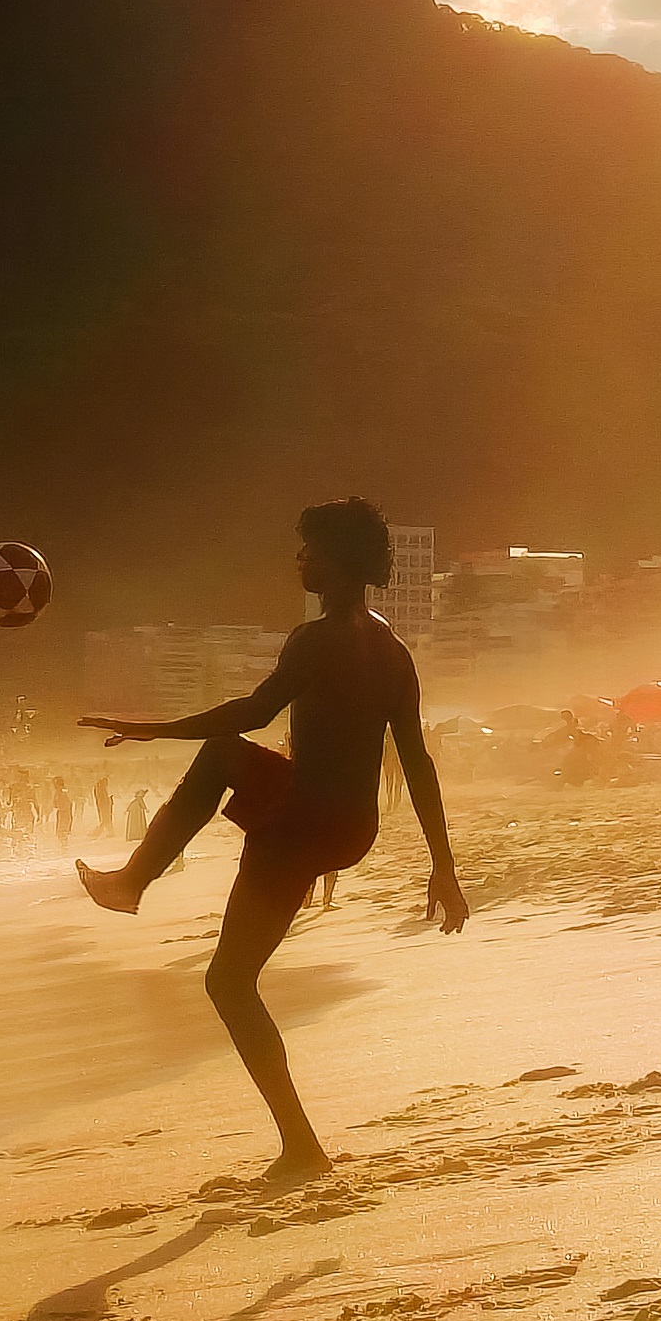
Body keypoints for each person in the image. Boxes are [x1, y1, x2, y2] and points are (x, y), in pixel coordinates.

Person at [74, 498, 469, 1189]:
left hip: (303, 820)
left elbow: (257, 711)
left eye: (309, 546)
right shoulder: (392, 649)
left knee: (228, 982)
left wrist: (153, 728)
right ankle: (131, 881)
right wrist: (444, 867)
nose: (300, 557)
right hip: (350, 825)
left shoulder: (315, 639)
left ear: (337, 558)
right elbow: (417, 760)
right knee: (225, 758)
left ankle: (301, 1147)